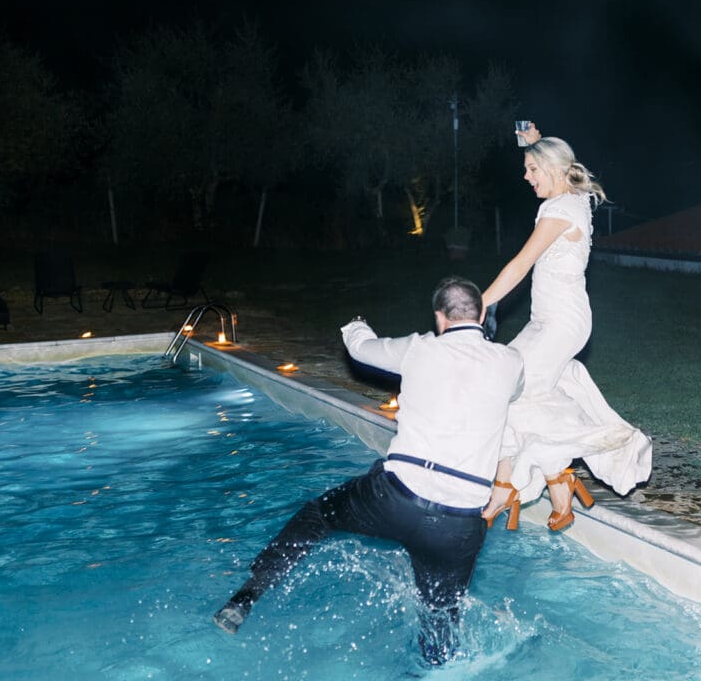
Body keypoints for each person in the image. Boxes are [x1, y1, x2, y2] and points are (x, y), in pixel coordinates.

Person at [212, 276, 524, 665]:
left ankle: (245, 598)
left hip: (394, 498)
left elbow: (360, 348)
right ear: (480, 315)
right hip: (458, 524)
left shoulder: (419, 349)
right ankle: (439, 664)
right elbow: (502, 407)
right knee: (440, 617)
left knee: (317, 515)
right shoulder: (511, 362)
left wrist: (357, 321)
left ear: (440, 318)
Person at [481, 125, 653, 532]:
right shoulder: (569, 198)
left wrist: (481, 304)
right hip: (549, 320)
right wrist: (531, 145)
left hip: (561, 323)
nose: (526, 177)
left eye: (531, 170)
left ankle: (506, 489)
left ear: (551, 170)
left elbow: (521, 264)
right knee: (516, 390)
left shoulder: (560, 211)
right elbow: (552, 161)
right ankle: (561, 487)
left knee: (514, 394)